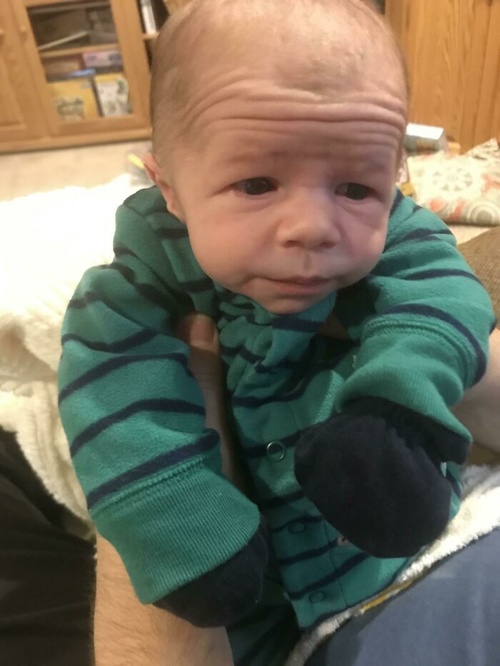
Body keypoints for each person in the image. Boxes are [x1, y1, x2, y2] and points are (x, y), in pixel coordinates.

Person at [57, 0, 498, 663]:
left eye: (356, 189)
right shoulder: (135, 287)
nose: (313, 226)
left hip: (381, 549)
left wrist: (393, 413)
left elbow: (443, 302)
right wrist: (180, 526)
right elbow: (115, 405)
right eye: (257, 183)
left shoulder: (402, 236)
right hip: (245, 592)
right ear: (168, 187)